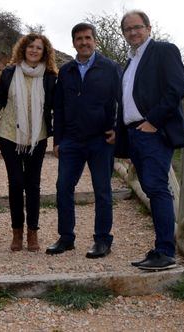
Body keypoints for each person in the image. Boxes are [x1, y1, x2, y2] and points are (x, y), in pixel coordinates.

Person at [117, 10, 184, 271]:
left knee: (157, 188)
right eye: (128, 29)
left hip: (154, 132)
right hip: (135, 133)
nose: (133, 32)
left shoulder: (164, 51)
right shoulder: (130, 62)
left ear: (149, 28)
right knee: (152, 188)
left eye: (137, 27)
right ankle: (161, 248)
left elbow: (177, 89)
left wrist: (153, 122)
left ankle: (165, 252)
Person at [46, 23, 122, 259]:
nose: (84, 42)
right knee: (63, 188)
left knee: (102, 190)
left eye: (88, 38)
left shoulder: (110, 68)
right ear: (73, 43)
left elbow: (123, 100)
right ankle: (66, 238)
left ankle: (102, 240)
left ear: (95, 40)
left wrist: (118, 129)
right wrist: (57, 140)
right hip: (71, 141)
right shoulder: (66, 71)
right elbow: (58, 108)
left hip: (101, 140)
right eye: (79, 39)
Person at [0, 33, 58, 252]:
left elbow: (57, 108)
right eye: (30, 46)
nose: (34, 50)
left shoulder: (50, 76)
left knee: (33, 185)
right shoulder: (10, 73)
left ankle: (33, 233)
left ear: (45, 52)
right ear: (23, 49)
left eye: (38, 48)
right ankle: (17, 233)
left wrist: (59, 137)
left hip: (38, 137)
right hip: (9, 136)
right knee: (15, 183)